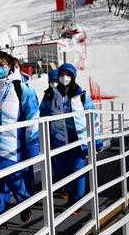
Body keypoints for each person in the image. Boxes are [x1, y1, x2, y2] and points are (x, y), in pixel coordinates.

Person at [0, 52, 39, 228]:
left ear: (9, 66)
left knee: (14, 177)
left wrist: (32, 145)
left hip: (13, 142)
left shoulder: (20, 87)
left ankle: (25, 202)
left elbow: (33, 116)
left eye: (1, 64)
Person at [39, 63, 102, 208]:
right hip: (59, 139)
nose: (65, 78)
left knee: (77, 170)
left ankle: (76, 202)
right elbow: (43, 117)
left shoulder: (81, 95)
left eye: (68, 75)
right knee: (61, 172)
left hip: (78, 139)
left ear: (73, 77)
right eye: (62, 75)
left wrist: (97, 140)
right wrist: (44, 140)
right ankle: (68, 190)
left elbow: (93, 118)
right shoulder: (50, 96)